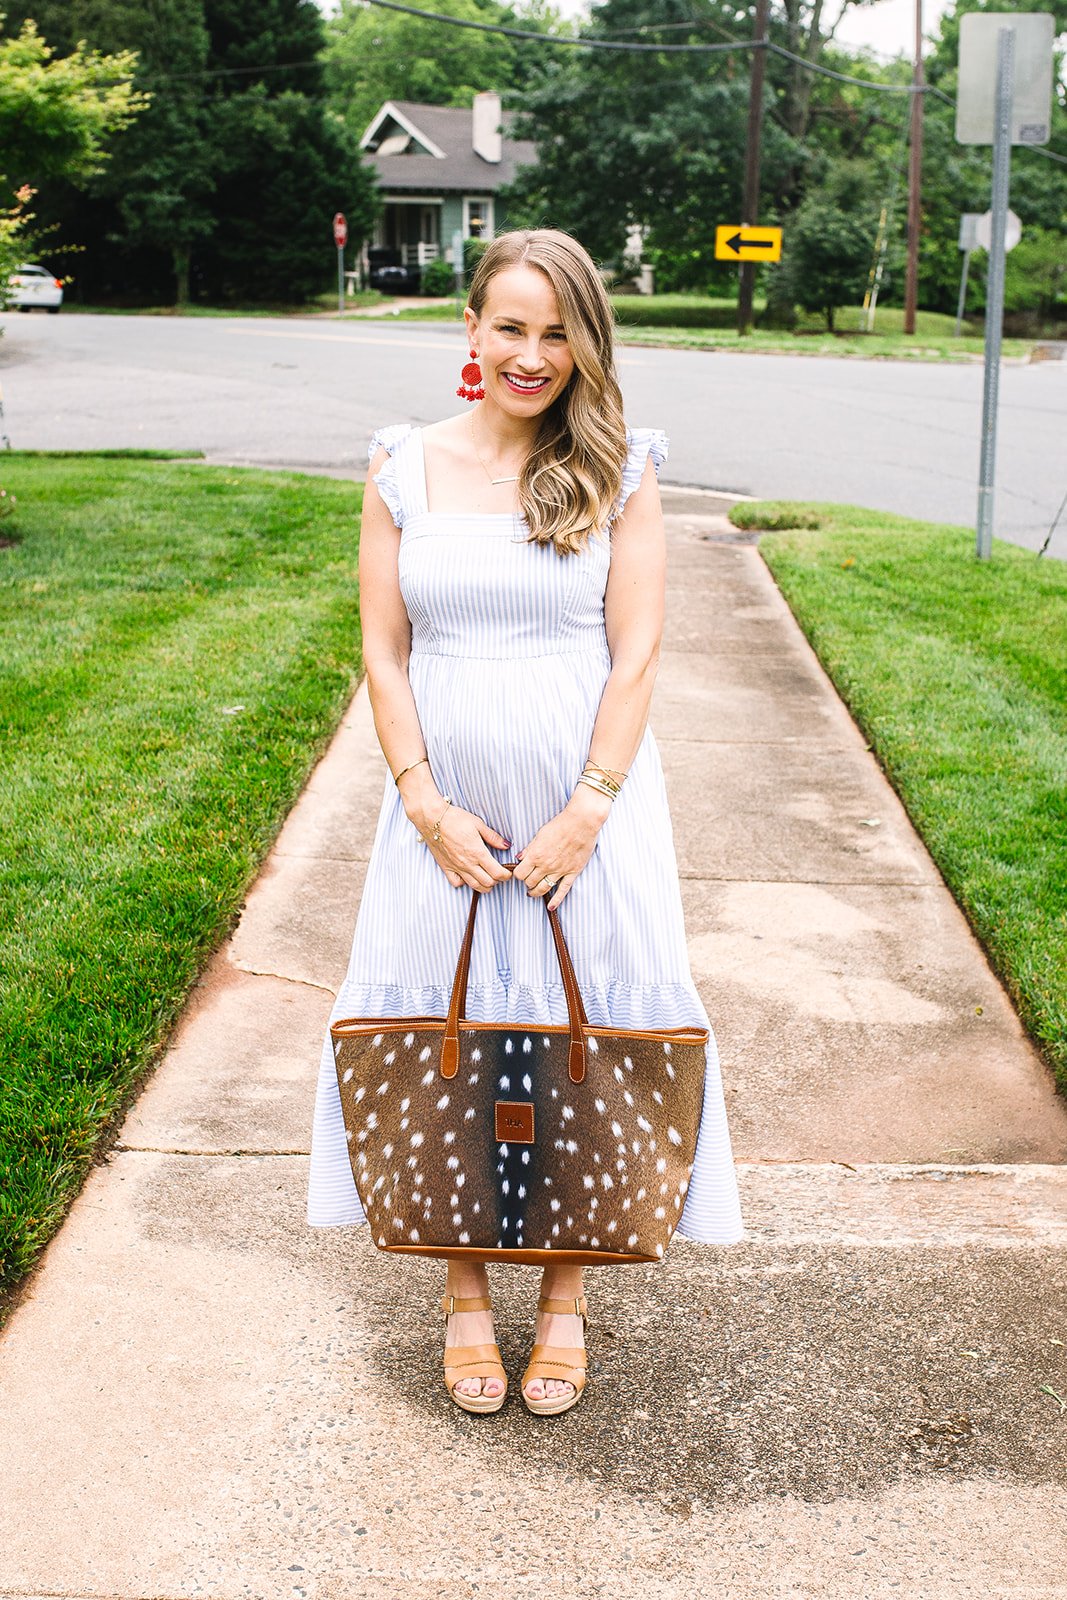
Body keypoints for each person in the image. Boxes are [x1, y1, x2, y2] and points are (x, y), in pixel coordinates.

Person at [307, 227, 743, 1418]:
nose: (531, 354)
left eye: (556, 333)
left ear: (584, 342)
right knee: (448, 1030)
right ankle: (459, 1295)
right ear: (470, 328)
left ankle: (561, 1302)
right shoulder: (404, 465)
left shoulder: (619, 468)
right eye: (509, 326)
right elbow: (384, 652)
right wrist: (422, 802)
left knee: (581, 1033)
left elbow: (637, 651)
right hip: (439, 808)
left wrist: (586, 813)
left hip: (584, 807)